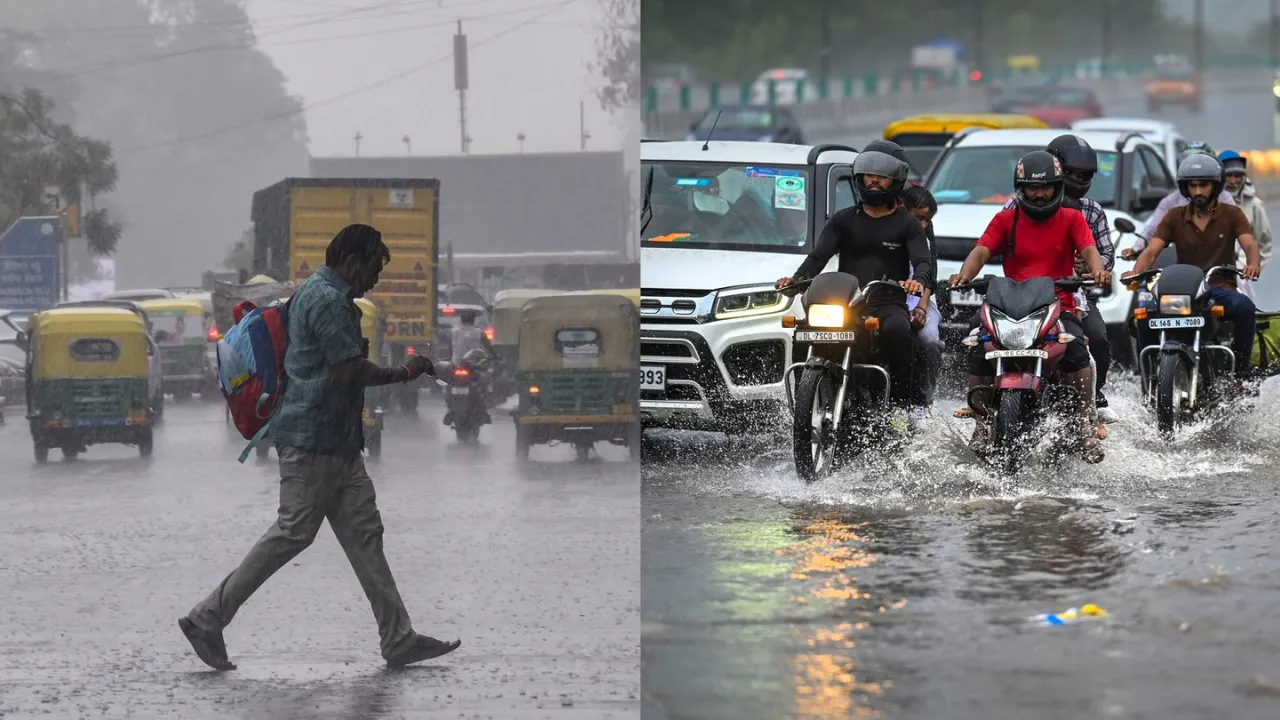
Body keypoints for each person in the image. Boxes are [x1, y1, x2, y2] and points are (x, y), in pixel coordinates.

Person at [179, 223, 461, 671]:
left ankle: (398, 637)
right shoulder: (328, 302)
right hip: (311, 441)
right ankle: (206, 618)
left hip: (336, 442)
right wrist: (408, 373)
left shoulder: (321, 294)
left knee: (365, 537)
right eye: (372, 269)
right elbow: (349, 371)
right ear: (351, 262)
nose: (374, 280)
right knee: (292, 533)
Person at [948, 150, 1111, 462]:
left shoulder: (1072, 218)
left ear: (1057, 187)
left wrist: (1098, 269)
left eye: (1046, 187)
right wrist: (964, 275)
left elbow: (1090, 249)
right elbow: (981, 251)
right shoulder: (1004, 219)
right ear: (1019, 188)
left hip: (1057, 305)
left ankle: (1084, 421)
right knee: (976, 339)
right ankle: (980, 421)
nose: (1039, 194)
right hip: (1009, 303)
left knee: (1076, 346)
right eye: (1032, 187)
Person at [774, 143, 933, 417]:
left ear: (895, 181)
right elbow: (818, 256)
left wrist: (917, 280)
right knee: (803, 331)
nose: (873, 180)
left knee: (897, 330)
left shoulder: (907, 224)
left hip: (887, 301)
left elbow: (922, 261)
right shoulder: (843, 220)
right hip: (847, 301)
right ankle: (804, 405)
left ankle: (899, 408)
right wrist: (797, 279)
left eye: (881, 176)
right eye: (869, 174)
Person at [1000, 134, 1116, 424]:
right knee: (983, 338)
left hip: (1071, 296)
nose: (1077, 179)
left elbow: (1105, 256)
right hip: (1023, 296)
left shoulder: (1091, 212)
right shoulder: (1014, 209)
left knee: (1098, 339)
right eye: (1071, 173)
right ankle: (987, 403)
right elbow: (993, 244)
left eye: (1083, 175)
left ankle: (1091, 400)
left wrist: (1091, 269)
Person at [1122, 154, 1263, 389]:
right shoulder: (1174, 216)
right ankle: (1148, 381)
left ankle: (1241, 377)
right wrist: (1135, 272)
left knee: (1245, 307)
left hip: (1218, 288)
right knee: (1143, 316)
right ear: (1185, 188)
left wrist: (1253, 263)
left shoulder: (1232, 214)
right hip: (1184, 290)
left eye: (1203, 185)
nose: (1197, 190)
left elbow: (1250, 244)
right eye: (1192, 185)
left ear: (1215, 186)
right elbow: (1151, 251)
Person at [1125, 144, 1237, 258]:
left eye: (1203, 182)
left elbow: (1237, 231)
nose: (1197, 190)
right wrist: (1136, 248)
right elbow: (1153, 229)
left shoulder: (1225, 199)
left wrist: (1235, 253)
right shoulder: (1170, 201)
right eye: (1192, 183)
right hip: (1180, 263)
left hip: (1216, 263)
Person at [900, 184, 943, 429]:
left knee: (927, 339)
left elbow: (929, 277)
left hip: (920, 301)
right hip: (889, 302)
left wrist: (921, 308)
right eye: (919, 218)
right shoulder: (889, 231)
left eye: (928, 220)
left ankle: (921, 402)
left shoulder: (926, 239)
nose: (924, 225)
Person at [1218, 150, 1272, 301]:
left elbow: (1264, 241)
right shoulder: (1208, 203)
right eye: (1228, 176)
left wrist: (1252, 267)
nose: (1233, 181)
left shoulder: (1254, 205)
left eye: (1237, 176)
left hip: (1240, 273)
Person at [444, 309, 493, 426]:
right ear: (473, 320)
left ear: (461, 320)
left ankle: (449, 409)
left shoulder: (453, 332)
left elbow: (450, 348)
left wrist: (450, 358)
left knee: (447, 385)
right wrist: (495, 356)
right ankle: (484, 410)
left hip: (456, 366)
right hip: (474, 366)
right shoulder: (479, 333)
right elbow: (489, 348)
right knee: (485, 383)